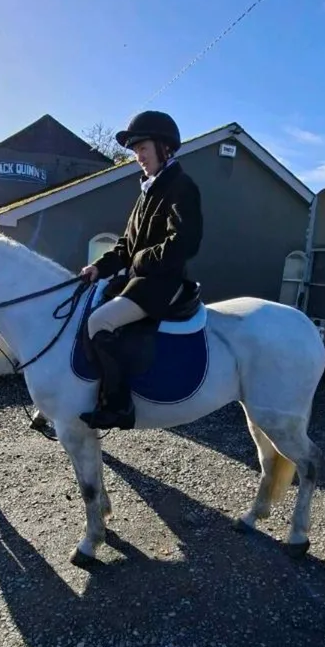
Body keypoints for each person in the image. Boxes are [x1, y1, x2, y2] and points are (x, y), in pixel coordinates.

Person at [78, 109, 203, 431]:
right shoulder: (147, 191)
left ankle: (118, 405)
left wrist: (142, 261)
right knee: (87, 307)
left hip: (162, 283)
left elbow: (186, 242)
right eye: (135, 152)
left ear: (164, 147)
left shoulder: (181, 186)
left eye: (142, 149)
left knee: (99, 321)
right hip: (140, 281)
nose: (138, 157)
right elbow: (125, 247)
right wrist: (98, 267)